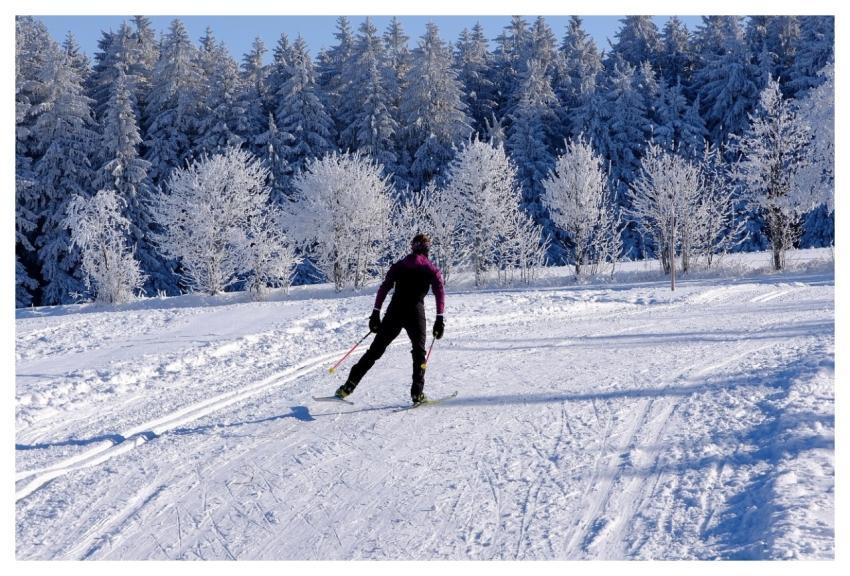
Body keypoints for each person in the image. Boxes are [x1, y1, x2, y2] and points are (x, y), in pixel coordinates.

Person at [335, 233, 445, 404]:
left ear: (412, 247)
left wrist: (375, 313)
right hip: (416, 313)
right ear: (427, 249)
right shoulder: (431, 268)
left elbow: (384, 288)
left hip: (395, 311)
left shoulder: (399, 266)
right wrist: (439, 318)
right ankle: (417, 393)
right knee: (419, 353)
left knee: (374, 351)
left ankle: (349, 385)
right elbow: (440, 293)